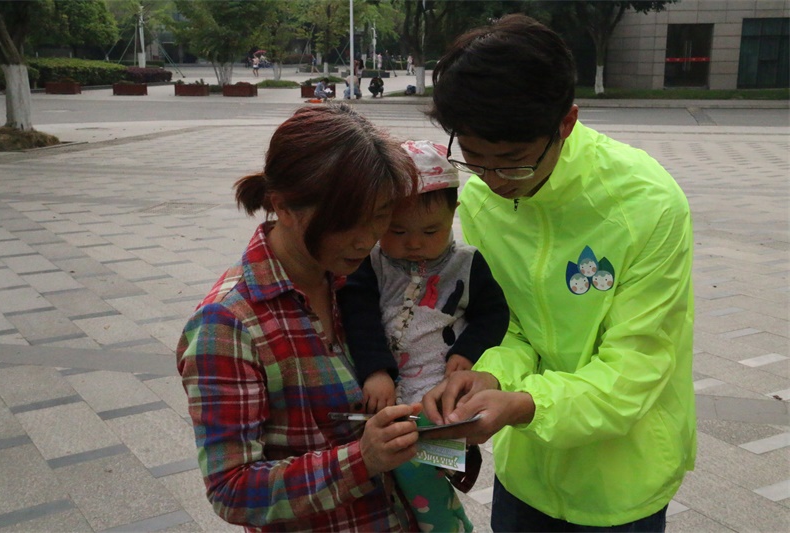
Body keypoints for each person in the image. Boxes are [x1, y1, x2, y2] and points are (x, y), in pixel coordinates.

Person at [420, 13, 696, 533]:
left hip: (624, 479)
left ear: (565, 124)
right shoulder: (481, 196)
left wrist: (524, 405)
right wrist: (490, 373)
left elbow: (636, 366)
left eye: (514, 162)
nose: (496, 182)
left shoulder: (648, 205)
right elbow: (515, 323)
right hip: (528, 473)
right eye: (477, 161)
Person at [176, 104, 424, 532]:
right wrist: (361, 458)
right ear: (282, 206)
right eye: (345, 222)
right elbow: (231, 489)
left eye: (381, 215)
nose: (366, 239)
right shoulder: (228, 324)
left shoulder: (359, 283)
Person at [339, 140, 509, 533]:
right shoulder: (374, 263)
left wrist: (467, 352)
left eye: (430, 231)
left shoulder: (466, 264)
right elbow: (358, 317)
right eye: (396, 230)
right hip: (386, 395)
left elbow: (494, 314)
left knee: (422, 476)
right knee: (402, 474)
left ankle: (448, 526)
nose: (414, 243)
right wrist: (376, 371)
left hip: (438, 397)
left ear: (454, 212)